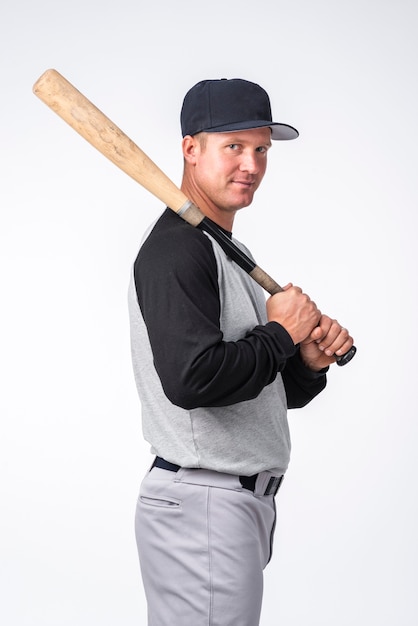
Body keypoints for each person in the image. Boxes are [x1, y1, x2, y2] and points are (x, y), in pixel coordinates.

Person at [128, 78, 354, 626]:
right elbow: (192, 382)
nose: (250, 164)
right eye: (233, 146)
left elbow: (256, 388)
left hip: (234, 505)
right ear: (191, 149)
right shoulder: (176, 251)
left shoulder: (228, 251)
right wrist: (279, 334)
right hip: (203, 502)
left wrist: (305, 362)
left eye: (261, 149)